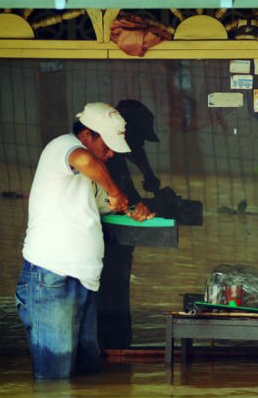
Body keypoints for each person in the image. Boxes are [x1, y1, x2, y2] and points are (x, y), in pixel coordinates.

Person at [15, 102, 153, 379]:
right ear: (87, 135)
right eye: (107, 145)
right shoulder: (62, 147)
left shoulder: (93, 174)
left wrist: (135, 209)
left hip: (84, 280)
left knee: (86, 373)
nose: (111, 153)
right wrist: (115, 190)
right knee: (55, 377)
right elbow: (85, 160)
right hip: (51, 277)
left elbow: (108, 205)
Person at [98, 99, 159, 349]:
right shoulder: (104, 159)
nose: (141, 144)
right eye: (139, 137)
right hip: (104, 246)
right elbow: (124, 200)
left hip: (118, 246)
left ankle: (118, 351)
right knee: (108, 300)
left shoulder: (117, 157)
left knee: (117, 298)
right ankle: (113, 349)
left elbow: (136, 152)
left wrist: (148, 174)